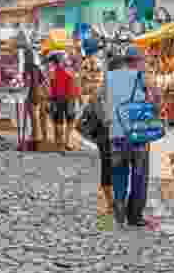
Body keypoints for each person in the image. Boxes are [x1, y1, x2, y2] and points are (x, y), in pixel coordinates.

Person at [91, 49, 158, 226]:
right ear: (137, 61)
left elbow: (97, 100)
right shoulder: (141, 77)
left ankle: (119, 207)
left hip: (116, 134)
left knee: (119, 172)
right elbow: (155, 100)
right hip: (138, 134)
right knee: (139, 175)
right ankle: (135, 216)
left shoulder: (109, 77)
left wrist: (106, 118)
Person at [48, 51, 76, 150]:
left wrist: (50, 99)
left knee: (59, 120)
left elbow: (50, 86)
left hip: (57, 98)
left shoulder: (52, 71)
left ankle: (60, 143)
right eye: (64, 58)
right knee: (70, 120)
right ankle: (67, 142)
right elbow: (74, 82)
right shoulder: (70, 70)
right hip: (69, 98)